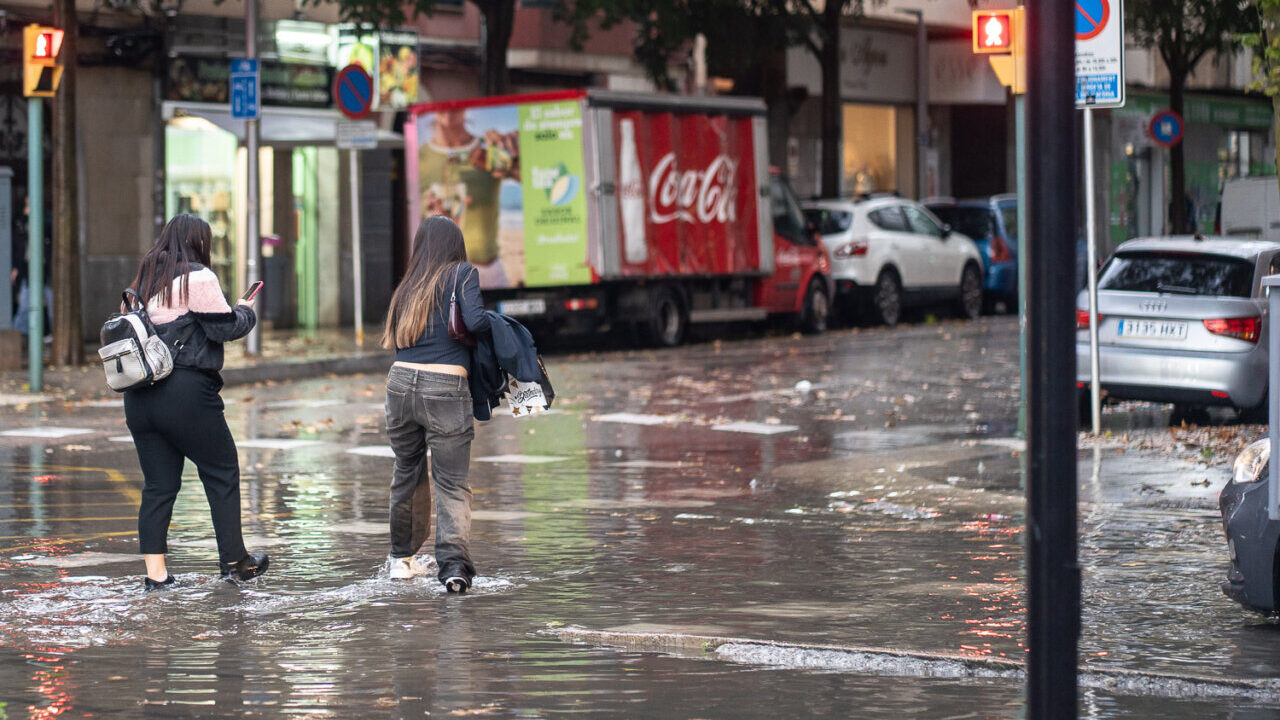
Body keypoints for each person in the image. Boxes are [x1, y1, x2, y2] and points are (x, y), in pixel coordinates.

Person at [122, 214, 269, 591]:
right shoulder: (198, 277)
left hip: (139, 397)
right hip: (184, 391)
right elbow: (223, 327)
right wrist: (245, 309)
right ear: (198, 242)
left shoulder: (140, 283)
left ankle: (156, 576)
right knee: (221, 471)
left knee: (158, 485)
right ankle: (236, 562)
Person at [380, 215, 490, 593]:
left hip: (399, 384)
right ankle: (454, 568)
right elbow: (474, 321)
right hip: (445, 386)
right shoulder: (462, 274)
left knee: (406, 472)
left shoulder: (407, 286)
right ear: (454, 244)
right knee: (451, 483)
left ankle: (400, 561)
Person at [418, 108, 519, 288]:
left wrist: (517, 154)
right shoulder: (420, 158)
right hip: (444, 274)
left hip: (490, 272)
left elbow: (534, 180)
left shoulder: (489, 150)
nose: (449, 109)